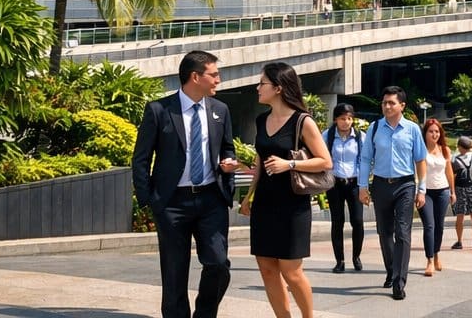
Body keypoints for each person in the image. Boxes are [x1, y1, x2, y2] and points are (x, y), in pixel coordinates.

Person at [132, 49, 240, 318]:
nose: (218, 79)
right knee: (174, 271)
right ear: (195, 76)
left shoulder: (220, 110)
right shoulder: (159, 110)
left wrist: (228, 163)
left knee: (218, 264)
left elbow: (227, 149)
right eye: (213, 74)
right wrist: (150, 200)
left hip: (211, 200)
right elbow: (141, 158)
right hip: (172, 203)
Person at [243, 62, 331, 318]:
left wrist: (289, 164)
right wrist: (249, 195)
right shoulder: (261, 120)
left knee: (291, 271)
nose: (257, 88)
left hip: (293, 206)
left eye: (262, 83)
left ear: (279, 88)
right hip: (265, 204)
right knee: (267, 269)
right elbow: (261, 160)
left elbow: (325, 162)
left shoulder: (303, 121)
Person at [358, 86, 427, 300]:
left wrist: (421, 189)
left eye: (391, 103)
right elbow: (366, 158)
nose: (387, 106)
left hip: (405, 184)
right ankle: (390, 269)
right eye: (384, 103)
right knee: (384, 232)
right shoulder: (375, 128)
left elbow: (420, 160)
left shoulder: (413, 129)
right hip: (380, 184)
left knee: (403, 232)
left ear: (402, 106)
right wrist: (362, 186)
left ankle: (399, 282)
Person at [325, 103, 364, 274]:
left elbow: (365, 160)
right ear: (335, 119)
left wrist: (364, 185)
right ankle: (339, 260)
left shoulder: (360, 137)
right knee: (337, 221)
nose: (346, 122)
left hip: (354, 183)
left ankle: (356, 256)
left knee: (357, 221)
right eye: (342, 118)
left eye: (349, 118)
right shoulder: (327, 135)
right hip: (335, 183)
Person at [417, 118, 454, 277]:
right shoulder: (420, 150)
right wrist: (418, 191)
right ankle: (430, 260)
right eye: (431, 131)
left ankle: (437, 253)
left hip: (443, 191)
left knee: (439, 226)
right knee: (429, 226)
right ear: (425, 133)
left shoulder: (444, 149)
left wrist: (453, 191)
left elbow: (449, 172)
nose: (434, 134)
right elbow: (416, 173)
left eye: (437, 131)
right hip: (426, 192)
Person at [450, 135, 472, 250]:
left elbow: (453, 177)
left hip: (460, 189)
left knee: (460, 216)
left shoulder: (455, 160)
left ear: (460, 146)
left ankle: (459, 241)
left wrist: (452, 191)